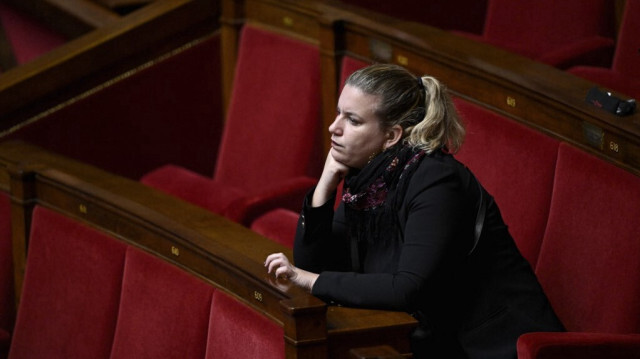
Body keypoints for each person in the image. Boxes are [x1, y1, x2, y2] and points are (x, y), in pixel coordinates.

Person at [265, 64, 564, 358]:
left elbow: (407, 287)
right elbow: (317, 264)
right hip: (430, 338)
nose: (335, 127)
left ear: (392, 136)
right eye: (338, 113)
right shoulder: (369, 181)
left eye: (353, 120)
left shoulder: (437, 180)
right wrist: (325, 186)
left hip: (495, 347)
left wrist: (309, 279)